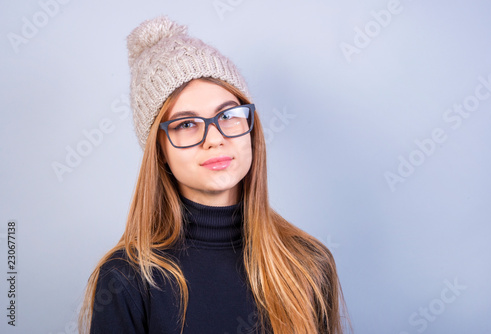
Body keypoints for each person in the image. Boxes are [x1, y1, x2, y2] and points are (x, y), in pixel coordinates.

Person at [79, 16, 349, 334]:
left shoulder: (308, 263)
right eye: (186, 124)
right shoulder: (128, 279)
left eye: (228, 115)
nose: (215, 138)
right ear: (160, 150)